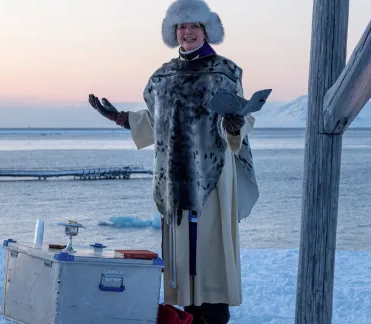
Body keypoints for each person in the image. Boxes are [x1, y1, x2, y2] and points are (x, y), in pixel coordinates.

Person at [88, 0, 262, 323]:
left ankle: (214, 317)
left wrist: (235, 125)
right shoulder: (163, 77)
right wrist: (122, 118)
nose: (187, 32)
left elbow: (242, 116)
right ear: (173, 33)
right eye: (181, 27)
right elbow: (158, 123)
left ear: (206, 30)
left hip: (213, 178)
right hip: (175, 182)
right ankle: (187, 318)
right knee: (182, 268)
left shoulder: (224, 72)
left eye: (193, 26)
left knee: (210, 262)